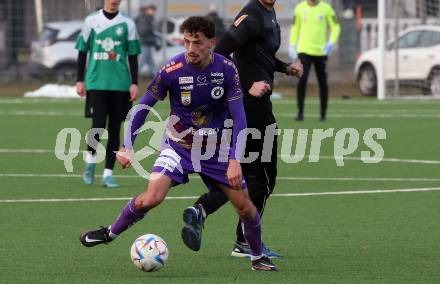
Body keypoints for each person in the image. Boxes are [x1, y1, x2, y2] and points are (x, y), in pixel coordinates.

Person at [79, 16, 278, 271]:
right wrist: (129, 145)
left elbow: (239, 116)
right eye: (186, 42)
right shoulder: (171, 70)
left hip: (215, 149)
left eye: (197, 43)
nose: (191, 49)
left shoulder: (227, 70)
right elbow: (142, 108)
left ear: (211, 43)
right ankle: (109, 233)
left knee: (245, 207)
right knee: (151, 198)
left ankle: (257, 258)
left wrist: (234, 159)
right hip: (177, 147)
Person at [180, 0, 303, 259]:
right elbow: (221, 53)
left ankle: (203, 209)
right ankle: (244, 241)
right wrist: (247, 85)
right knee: (263, 178)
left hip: (253, 106)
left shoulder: (267, 14)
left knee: (243, 174)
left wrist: (285, 68)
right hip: (250, 107)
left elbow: (261, 56)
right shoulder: (250, 15)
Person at [76, 0, 141, 188]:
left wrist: (134, 82)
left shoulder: (128, 24)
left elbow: (133, 56)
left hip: (120, 84)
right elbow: (82, 52)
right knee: (97, 126)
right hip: (96, 82)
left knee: (114, 129)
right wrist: (80, 80)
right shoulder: (91, 21)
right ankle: (90, 163)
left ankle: (108, 174)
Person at [289, 0, 341, 121]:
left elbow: (336, 26)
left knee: (322, 82)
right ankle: (300, 112)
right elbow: (295, 28)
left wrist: (331, 43)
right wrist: (292, 45)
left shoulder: (327, 8)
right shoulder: (299, 8)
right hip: (304, 50)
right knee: (302, 80)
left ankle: (323, 114)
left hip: (321, 51)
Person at [135, 4, 158, 77]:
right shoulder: (145, 18)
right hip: (145, 42)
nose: (154, 12)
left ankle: (156, 75)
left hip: (147, 43)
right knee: (142, 60)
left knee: (149, 60)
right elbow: (143, 30)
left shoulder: (148, 18)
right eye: (153, 10)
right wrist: (148, 32)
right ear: (148, 10)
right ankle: (133, 75)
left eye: (154, 11)